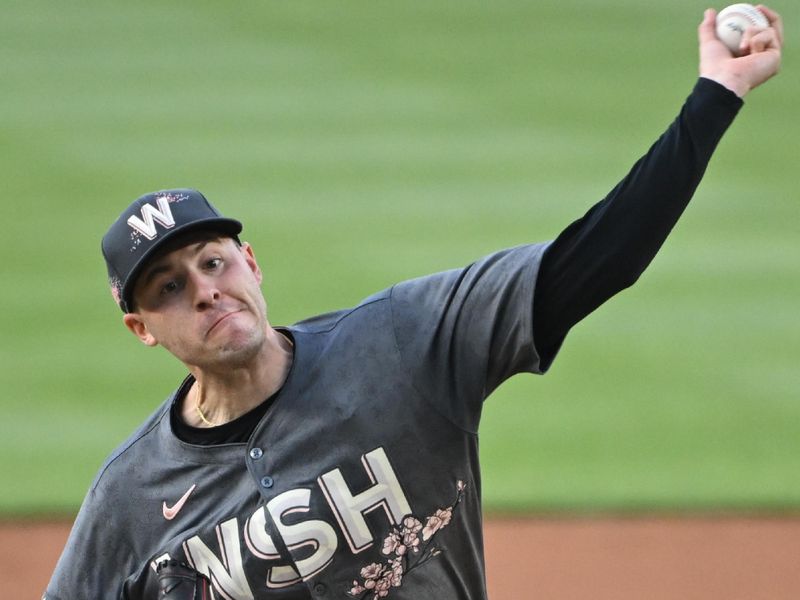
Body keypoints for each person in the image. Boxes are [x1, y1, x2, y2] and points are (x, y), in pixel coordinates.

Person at [46, 8, 783, 599]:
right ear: (141, 329)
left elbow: (599, 258)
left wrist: (716, 95)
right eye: (170, 287)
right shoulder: (131, 499)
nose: (206, 289)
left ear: (251, 262)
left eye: (213, 261)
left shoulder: (404, 345)